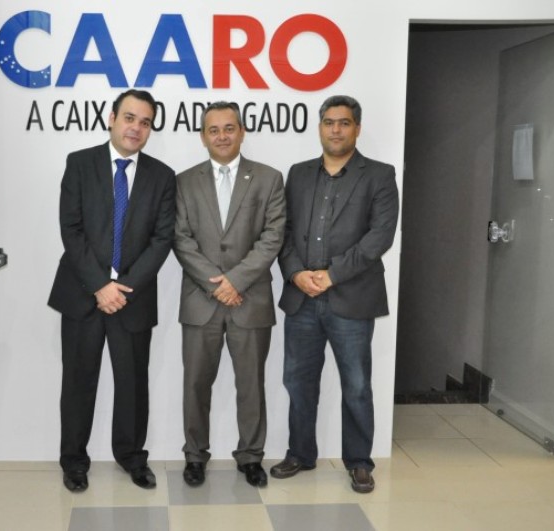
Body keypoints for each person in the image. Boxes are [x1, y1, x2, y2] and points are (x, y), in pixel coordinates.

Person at [48, 89, 176, 493]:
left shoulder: (162, 176)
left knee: (133, 384)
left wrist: (124, 289)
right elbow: (71, 229)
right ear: (112, 118)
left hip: (132, 299)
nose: (136, 128)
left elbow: (162, 239)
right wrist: (100, 286)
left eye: (145, 122)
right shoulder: (80, 163)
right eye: (129, 118)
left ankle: (132, 457)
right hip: (83, 294)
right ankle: (73, 461)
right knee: (78, 382)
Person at [272, 95, 399, 494]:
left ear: (357, 128)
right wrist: (296, 273)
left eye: (344, 123)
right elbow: (282, 232)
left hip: (352, 298)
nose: (336, 130)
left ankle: (359, 462)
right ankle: (300, 453)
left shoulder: (379, 175)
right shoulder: (298, 174)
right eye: (329, 122)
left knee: (357, 385)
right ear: (320, 127)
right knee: (298, 381)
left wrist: (332, 275)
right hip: (302, 299)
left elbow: (380, 237)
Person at [174, 101, 286, 487]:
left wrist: (235, 281)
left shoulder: (269, 178)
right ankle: (194, 456)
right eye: (213, 130)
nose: (221, 136)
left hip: (250, 299)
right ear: (203, 136)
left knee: (251, 384)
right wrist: (217, 285)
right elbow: (181, 239)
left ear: (241, 132)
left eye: (229, 128)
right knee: (195, 385)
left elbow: (273, 236)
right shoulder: (184, 181)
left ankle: (251, 456)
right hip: (200, 300)